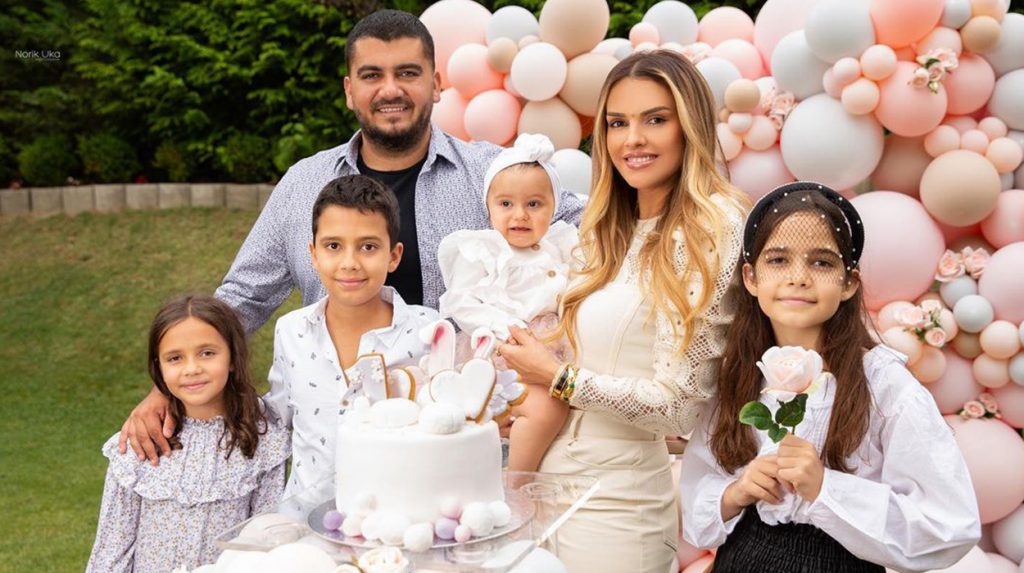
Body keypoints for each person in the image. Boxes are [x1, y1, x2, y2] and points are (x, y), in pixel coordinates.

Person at [119, 8, 584, 464]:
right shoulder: (304, 185)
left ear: (436, 84)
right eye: (371, 75)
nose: (390, 89)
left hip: (467, 441)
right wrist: (166, 388)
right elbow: (244, 296)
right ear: (349, 90)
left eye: (408, 73)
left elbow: (595, 230)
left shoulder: (495, 175)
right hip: (342, 455)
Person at [498, 51, 748, 573]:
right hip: (543, 489)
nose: (632, 139)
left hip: (617, 507)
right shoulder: (604, 228)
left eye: (655, 119)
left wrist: (559, 378)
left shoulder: (712, 227)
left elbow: (678, 406)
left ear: (690, 127)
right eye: (617, 123)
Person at [679, 182, 980, 572]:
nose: (798, 277)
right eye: (778, 260)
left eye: (821, 263)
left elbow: (949, 524)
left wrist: (826, 488)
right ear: (751, 278)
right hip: (741, 559)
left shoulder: (882, 383)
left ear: (848, 282)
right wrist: (737, 492)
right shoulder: (737, 373)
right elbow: (698, 495)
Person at [263, 174, 438, 504]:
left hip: (396, 515)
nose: (349, 263)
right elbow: (276, 419)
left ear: (394, 256)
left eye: (368, 247)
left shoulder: (429, 331)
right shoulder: (291, 331)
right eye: (333, 246)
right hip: (305, 518)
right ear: (314, 254)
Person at [86, 295, 290, 573]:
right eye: (175, 358)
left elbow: (263, 549)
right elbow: (110, 553)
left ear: (232, 357)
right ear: (159, 367)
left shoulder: (264, 443)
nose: (192, 369)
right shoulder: (140, 442)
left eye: (207, 353)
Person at [437, 133, 578, 472]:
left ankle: (537, 468)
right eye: (506, 204)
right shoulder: (483, 249)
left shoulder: (561, 245)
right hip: (503, 350)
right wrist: (505, 328)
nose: (520, 215)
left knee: (571, 408)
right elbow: (461, 302)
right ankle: (520, 478)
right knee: (546, 409)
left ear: (553, 207)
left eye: (534, 204)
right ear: (489, 208)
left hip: (554, 350)